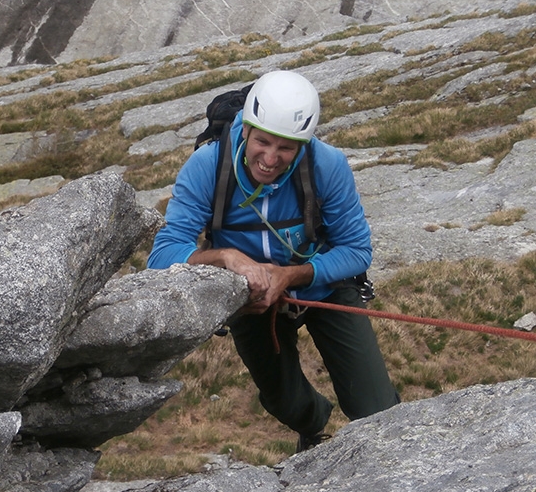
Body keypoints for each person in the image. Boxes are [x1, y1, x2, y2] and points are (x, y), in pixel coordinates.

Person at [147, 69, 399, 452]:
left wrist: (290, 275)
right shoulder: (208, 167)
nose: (269, 158)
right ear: (245, 128)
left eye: (285, 148)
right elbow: (163, 255)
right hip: (250, 299)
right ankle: (314, 429)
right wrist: (226, 258)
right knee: (286, 403)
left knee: (378, 409)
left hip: (322, 286)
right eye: (261, 141)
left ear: (303, 144)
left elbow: (356, 250)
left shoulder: (326, 165)